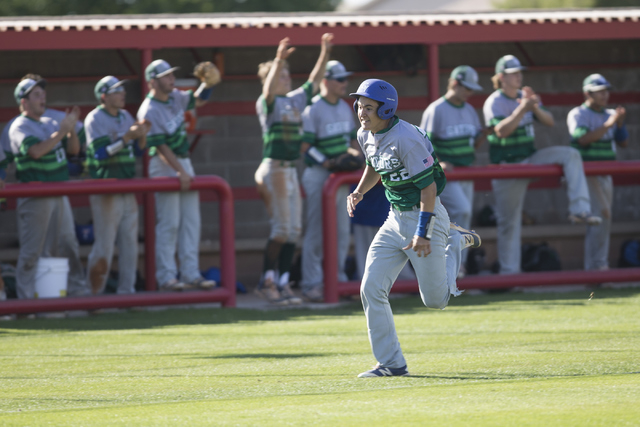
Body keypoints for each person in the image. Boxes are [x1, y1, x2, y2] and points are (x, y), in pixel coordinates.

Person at [347, 79, 481, 378]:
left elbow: (429, 189)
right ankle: (391, 363)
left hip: (426, 216)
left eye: (368, 107)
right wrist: (359, 191)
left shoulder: (406, 138)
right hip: (394, 218)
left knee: (435, 301)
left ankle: (455, 241)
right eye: (359, 106)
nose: (361, 112)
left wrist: (423, 232)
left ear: (387, 108)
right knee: (370, 288)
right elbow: (374, 164)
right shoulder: (365, 134)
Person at [483, 55, 601, 275]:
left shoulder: (525, 96)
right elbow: (501, 131)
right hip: (506, 166)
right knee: (509, 224)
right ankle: (509, 276)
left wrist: (534, 106)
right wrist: (522, 108)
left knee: (570, 155)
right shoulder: (495, 101)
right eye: (513, 73)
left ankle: (580, 209)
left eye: (520, 72)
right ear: (501, 78)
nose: (519, 77)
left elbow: (549, 121)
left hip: (530, 158)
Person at [254, 33, 333, 305]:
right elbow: (267, 92)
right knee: (281, 229)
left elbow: (313, 81)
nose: (286, 78)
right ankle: (266, 282)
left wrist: (325, 51)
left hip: (289, 170)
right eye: (281, 74)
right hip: (274, 168)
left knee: (294, 231)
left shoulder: (294, 101)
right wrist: (277, 59)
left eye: (287, 73)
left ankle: (284, 282)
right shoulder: (269, 103)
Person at [137, 59, 220, 291]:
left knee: (192, 221)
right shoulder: (148, 109)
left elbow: (199, 99)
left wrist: (209, 84)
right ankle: (166, 276)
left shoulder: (175, 96)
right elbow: (161, 147)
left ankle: (191, 273)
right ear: (152, 82)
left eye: (171, 75)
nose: (171, 79)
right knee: (170, 223)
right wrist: (180, 171)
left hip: (183, 161)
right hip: (164, 165)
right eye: (165, 76)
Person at [8, 77, 88, 299]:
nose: (43, 97)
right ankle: (25, 302)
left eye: (43, 93)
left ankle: (76, 291)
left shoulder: (51, 123)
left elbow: (73, 151)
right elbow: (35, 151)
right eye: (36, 94)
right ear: (23, 102)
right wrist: (63, 131)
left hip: (59, 192)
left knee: (68, 244)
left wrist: (70, 130)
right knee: (33, 251)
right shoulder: (19, 125)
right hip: (35, 195)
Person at [299, 60, 362, 302]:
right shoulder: (313, 108)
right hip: (319, 175)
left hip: (340, 177)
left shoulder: (346, 107)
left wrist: (358, 157)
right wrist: (328, 163)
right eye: (340, 79)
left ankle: (338, 281)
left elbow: (351, 141)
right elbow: (305, 147)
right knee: (316, 230)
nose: (345, 83)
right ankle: (311, 283)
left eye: (346, 79)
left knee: (341, 231)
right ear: (326, 81)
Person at [420, 65, 491, 277]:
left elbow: (472, 144)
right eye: (466, 87)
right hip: (444, 176)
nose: (469, 93)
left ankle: (459, 268)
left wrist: (486, 133)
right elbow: (424, 145)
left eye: (471, 89)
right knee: (461, 211)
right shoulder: (436, 109)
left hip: (466, 172)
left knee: (463, 220)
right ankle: (449, 266)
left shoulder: (469, 109)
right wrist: (438, 162)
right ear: (454, 83)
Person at [84, 76, 151, 294]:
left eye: (122, 90)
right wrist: (125, 138)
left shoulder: (126, 115)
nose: (122, 94)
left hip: (127, 187)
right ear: (104, 96)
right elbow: (100, 154)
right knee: (104, 245)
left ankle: (127, 293)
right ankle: (94, 297)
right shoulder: (94, 118)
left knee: (130, 246)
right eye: (116, 91)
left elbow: (139, 151)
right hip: (106, 189)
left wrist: (142, 136)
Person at [567, 74, 628, 271]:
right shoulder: (578, 113)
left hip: (606, 172)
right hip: (587, 172)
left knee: (603, 220)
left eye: (606, 91)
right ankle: (597, 268)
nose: (604, 95)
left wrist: (619, 124)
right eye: (599, 92)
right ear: (588, 93)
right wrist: (609, 123)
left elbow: (624, 142)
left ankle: (595, 268)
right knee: (602, 215)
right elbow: (582, 139)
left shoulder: (610, 114)